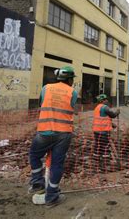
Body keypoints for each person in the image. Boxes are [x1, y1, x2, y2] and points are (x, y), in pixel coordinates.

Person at [28, 66, 78, 207]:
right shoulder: (72, 92)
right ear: (69, 79)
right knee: (57, 164)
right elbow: (70, 107)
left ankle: (37, 182)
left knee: (34, 155)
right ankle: (52, 196)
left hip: (44, 131)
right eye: (72, 79)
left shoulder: (46, 88)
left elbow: (41, 103)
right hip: (63, 134)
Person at [92, 94, 120, 171]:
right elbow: (113, 115)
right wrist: (117, 112)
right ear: (102, 101)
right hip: (103, 131)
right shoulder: (105, 107)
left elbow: (102, 119)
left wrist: (111, 124)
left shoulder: (97, 108)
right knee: (105, 147)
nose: (107, 101)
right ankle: (105, 164)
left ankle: (97, 164)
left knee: (98, 147)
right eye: (105, 99)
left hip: (96, 131)